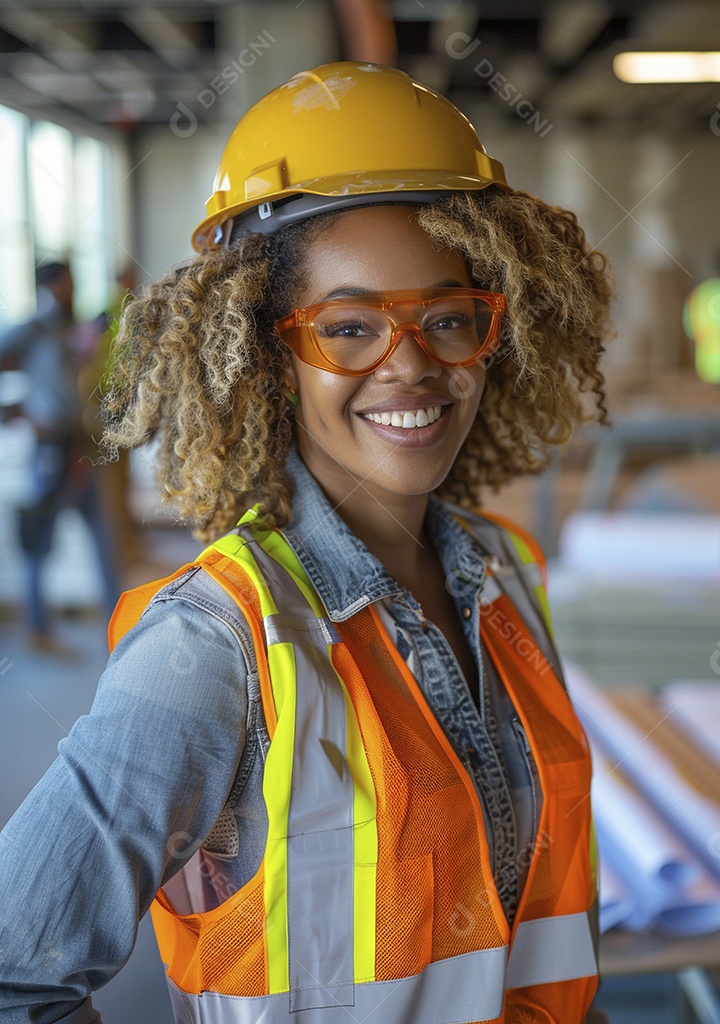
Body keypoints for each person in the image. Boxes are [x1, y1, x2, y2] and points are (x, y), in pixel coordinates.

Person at [0, 63, 613, 1022]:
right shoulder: (215, 646)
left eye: (449, 319)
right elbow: (15, 975)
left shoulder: (505, 578)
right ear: (272, 358)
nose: (410, 365)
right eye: (350, 327)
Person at [0, 261, 120, 649]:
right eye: (65, 281)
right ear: (51, 285)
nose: (71, 287)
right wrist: (17, 413)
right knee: (40, 540)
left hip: (83, 447)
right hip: (50, 451)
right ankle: (37, 627)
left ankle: (116, 626)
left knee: (103, 538)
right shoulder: (33, 330)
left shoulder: (75, 328)